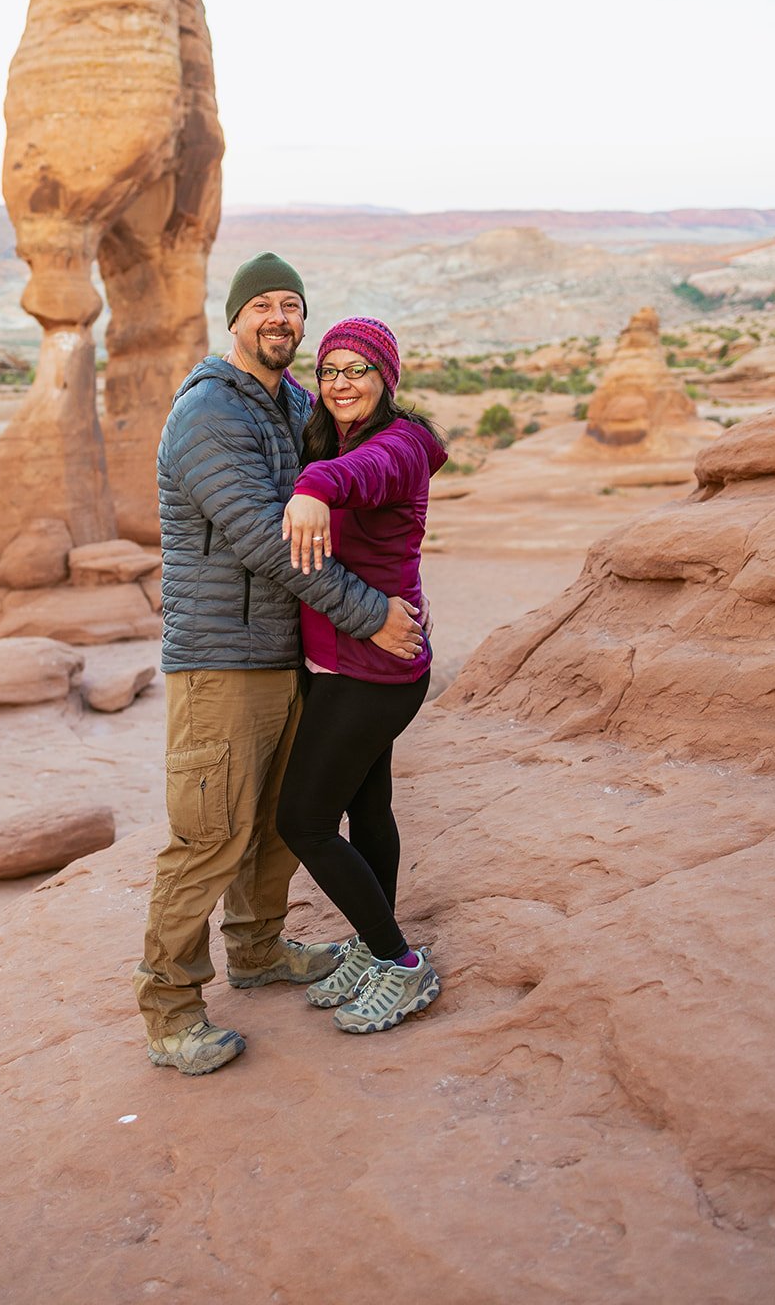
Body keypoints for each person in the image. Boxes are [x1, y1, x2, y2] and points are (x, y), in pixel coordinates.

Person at [133, 256, 426, 1076]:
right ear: (233, 317)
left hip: (289, 654)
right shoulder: (206, 414)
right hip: (222, 660)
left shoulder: (294, 402)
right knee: (208, 836)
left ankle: (258, 951)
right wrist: (371, 615)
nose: (277, 318)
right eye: (260, 304)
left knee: (273, 821)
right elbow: (265, 541)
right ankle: (170, 1011)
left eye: (290, 306)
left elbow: (366, 495)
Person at [275, 317, 447, 1034]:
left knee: (304, 822)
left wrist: (313, 486)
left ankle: (401, 966)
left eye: (358, 369)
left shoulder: (395, 444)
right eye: (330, 370)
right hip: (345, 659)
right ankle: (380, 952)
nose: (342, 383)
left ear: (387, 379)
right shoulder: (336, 430)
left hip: (371, 670)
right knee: (367, 810)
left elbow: (358, 477)